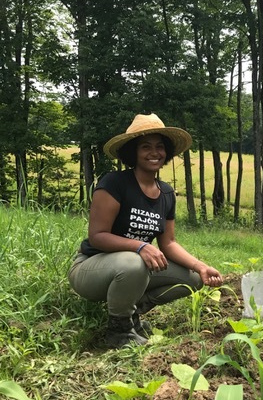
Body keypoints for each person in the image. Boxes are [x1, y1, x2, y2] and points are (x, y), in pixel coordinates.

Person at [68, 113, 222, 349]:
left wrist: (200, 266)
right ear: (133, 152)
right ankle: (118, 331)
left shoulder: (167, 193)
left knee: (191, 279)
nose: (154, 152)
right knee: (135, 261)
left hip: (133, 266)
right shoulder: (114, 183)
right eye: (146, 147)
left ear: (167, 152)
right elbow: (97, 236)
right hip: (91, 268)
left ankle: (132, 312)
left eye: (160, 147)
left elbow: (168, 243)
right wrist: (140, 246)